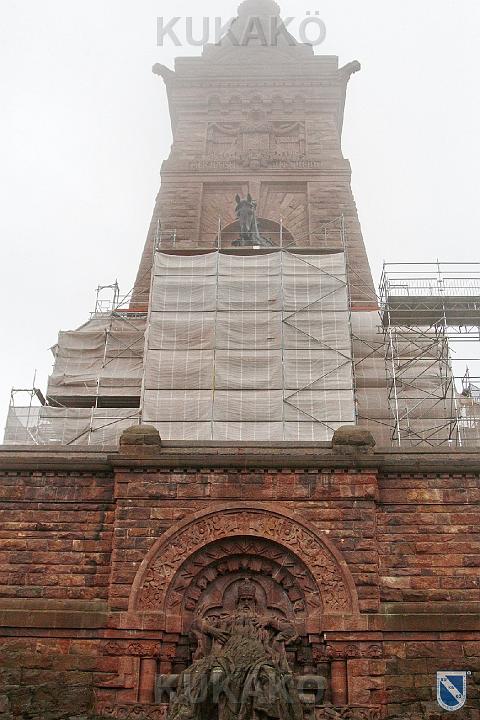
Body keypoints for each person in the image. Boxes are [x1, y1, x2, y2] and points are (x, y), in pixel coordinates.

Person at [168, 578, 303, 720]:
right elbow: (195, 624)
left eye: (249, 600)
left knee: (270, 677)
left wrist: (271, 622)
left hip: (260, 661)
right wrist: (213, 631)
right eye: (243, 600)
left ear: (255, 603)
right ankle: (198, 712)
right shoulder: (226, 620)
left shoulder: (264, 623)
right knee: (215, 677)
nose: (246, 603)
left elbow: (291, 630)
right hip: (226, 661)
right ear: (238, 603)